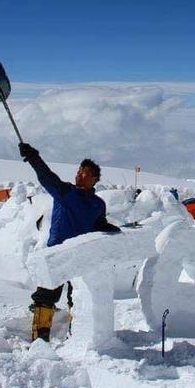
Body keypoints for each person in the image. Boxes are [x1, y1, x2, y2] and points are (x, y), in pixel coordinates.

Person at [19, 142, 120, 342]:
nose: (80, 175)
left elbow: (98, 223)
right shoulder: (65, 192)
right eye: (79, 171)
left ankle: (78, 336)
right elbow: (47, 176)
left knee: (79, 298)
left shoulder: (98, 204)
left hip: (81, 255)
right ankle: (40, 337)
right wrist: (33, 157)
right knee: (46, 296)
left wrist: (107, 227)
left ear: (95, 179)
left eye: (86, 173)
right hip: (57, 253)